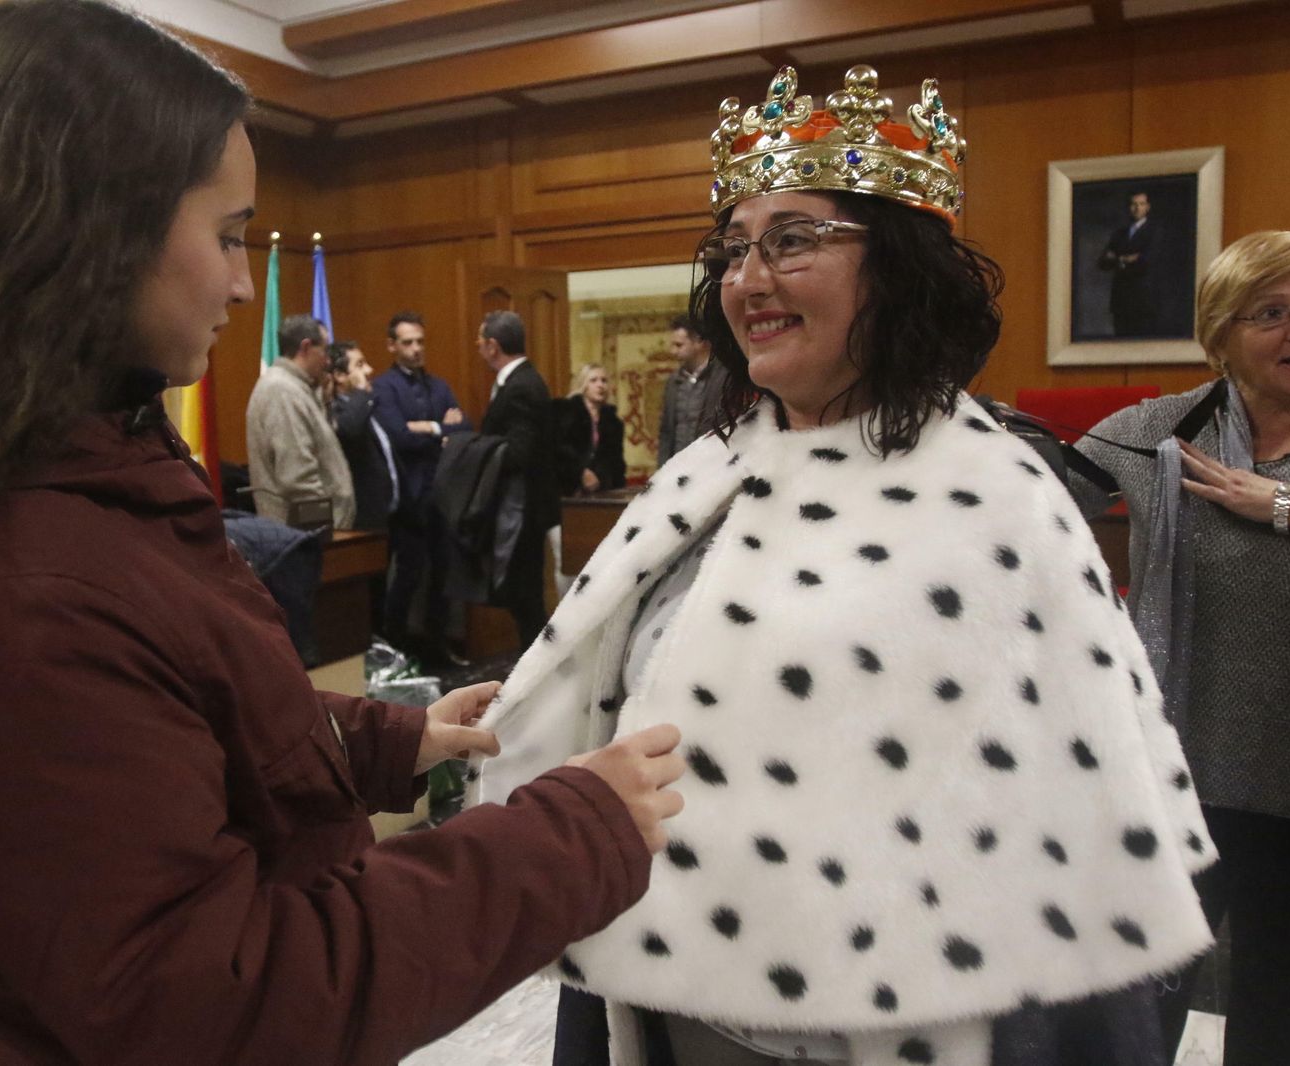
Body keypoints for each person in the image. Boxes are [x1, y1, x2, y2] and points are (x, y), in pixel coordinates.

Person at [0, 3, 689, 1063]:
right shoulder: (29, 586)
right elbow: (216, 999)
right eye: (226, 235)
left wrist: (395, 738)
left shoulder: (85, 462)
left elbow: (187, 717)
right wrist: (568, 837)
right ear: (93, 228)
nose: (244, 280)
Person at [468, 64, 1215, 1066]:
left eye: (792, 241)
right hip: (654, 992)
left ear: (898, 268)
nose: (747, 280)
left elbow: (1074, 825)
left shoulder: (999, 497)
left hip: (878, 1024)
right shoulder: (704, 473)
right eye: (733, 250)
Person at [1069, 230, 1290, 1066]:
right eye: (1271, 313)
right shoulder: (1160, 431)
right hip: (1180, 766)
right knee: (1150, 982)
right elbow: (1040, 495)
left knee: (1285, 985)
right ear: (1222, 337)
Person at [371, 310, 471, 664]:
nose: (416, 349)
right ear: (392, 346)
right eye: (408, 342)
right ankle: (396, 648)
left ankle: (437, 647)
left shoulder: (438, 385)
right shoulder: (383, 387)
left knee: (443, 575)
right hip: (407, 501)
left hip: (441, 495)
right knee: (407, 576)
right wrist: (439, 428)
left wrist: (425, 428)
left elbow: (464, 428)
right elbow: (398, 435)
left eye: (420, 342)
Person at [476, 309, 561, 651]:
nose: (479, 349)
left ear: (493, 346)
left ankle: (537, 674)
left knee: (525, 599)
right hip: (523, 507)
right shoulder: (519, 381)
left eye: (480, 343)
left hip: (522, 509)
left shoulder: (522, 386)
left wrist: (472, 448)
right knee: (523, 598)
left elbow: (518, 453)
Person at [246, 313, 356, 529]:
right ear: (305, 347)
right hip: (306, 538)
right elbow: (298, 480)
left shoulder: (296, 388)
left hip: (307, 537)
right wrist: (324, 535)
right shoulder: (282, 391)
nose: (328, 360)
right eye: (324, 349)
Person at [328, 339, 398, 534]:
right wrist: (360, 393)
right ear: (340, 375)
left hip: (390, 513)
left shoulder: (368, 403)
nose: (369, 370)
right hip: (362, 518)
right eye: (359, 365)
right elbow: (350, 430)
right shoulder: (334, 410)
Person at [656, 313, 726, 465]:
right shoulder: (673, 381)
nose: (673, 351)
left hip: (711, 466)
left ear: (699, 341)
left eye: (679, 345)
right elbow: (667, 433)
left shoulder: (724, 377)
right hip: (677, 468)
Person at [555, 363, 626, 496]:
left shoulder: (614, 422)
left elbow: (616, 462)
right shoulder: (565, 413)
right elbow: (558, 450)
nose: (600, 385)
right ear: (584, 385)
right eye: (593, 380)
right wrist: (580, 472)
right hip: (566, 488)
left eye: (604, 380)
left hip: (601, 490)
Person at [1098, 191, 1160, 337]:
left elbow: (1147, 261)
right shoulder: (1119, 234)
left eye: (1141, 204)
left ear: (1147, 207)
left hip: (1143, 301)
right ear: (1128, 207)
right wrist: (1126, 259)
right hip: (1120, 301)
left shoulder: (1154, 231)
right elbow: (1103, 263)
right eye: (1133, 204)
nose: (1137, 208)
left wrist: (1117, 258)